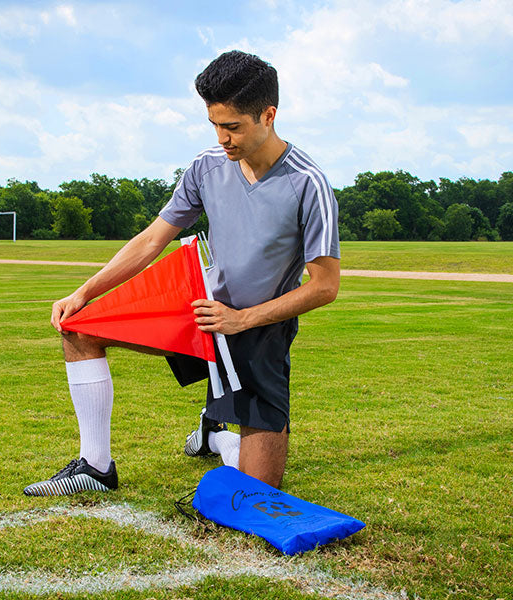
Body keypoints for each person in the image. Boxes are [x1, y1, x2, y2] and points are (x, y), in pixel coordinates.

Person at [23, 50, 339, 497]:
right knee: (79, 328)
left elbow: (325, 286)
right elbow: (153, 239)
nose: (222, 138)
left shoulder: (309, 183)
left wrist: (241, 319)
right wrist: (84, 292)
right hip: (198, 310)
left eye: (233, 127)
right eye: (214, 124)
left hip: (258, 329)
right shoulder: (207, 165)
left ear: (268, 115)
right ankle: (95, 466)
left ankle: (218, 434)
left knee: (257, 491)